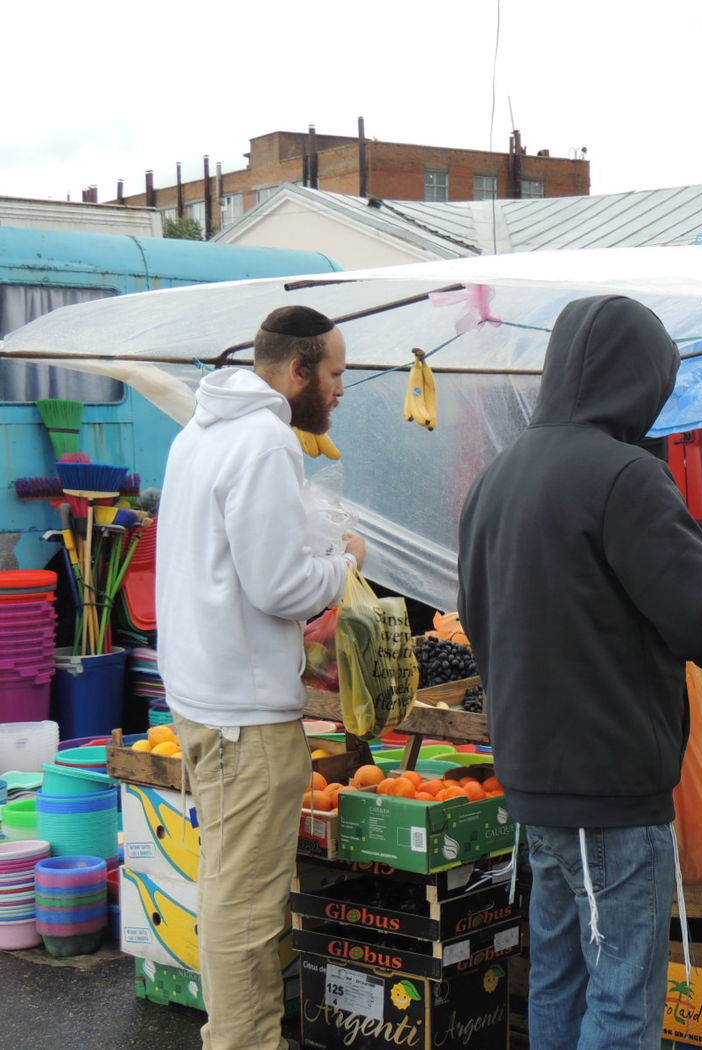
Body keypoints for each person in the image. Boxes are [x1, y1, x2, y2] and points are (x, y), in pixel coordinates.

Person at [456, 295, 702, 1050]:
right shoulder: (624, 477)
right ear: (643, 379)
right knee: (622, 995)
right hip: (607, 784)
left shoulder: (499, 475)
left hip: (532, 774)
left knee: (558, 975)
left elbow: (477, 618)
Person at [156, 305, 365, 1050]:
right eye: (336, 372)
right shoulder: (268, 438)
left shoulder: (198, 432)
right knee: (246, 909)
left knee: (226, 889)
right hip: (245, 713)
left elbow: (227, 561)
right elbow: (278, 586)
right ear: (298, 368)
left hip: (202, 698)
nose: (341, 389)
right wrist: (341, 566)